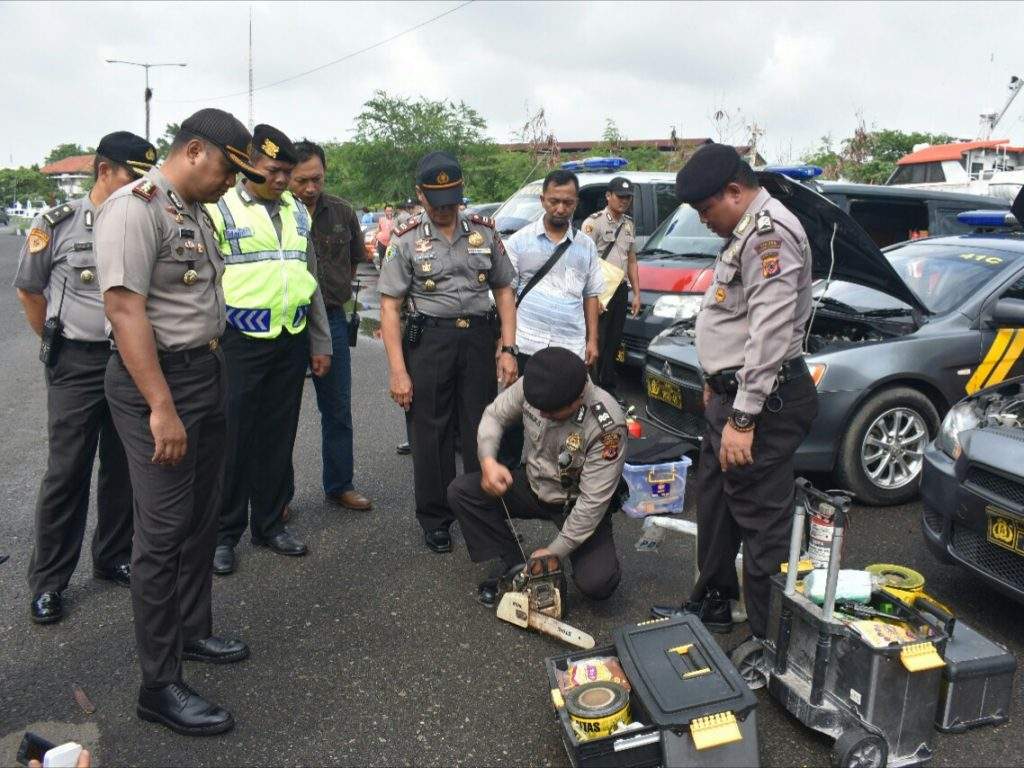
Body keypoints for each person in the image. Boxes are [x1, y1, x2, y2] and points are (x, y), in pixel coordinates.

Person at [96, 107, 261, 735]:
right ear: (194, 150)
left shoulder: (190, 210)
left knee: (199, 517)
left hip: (204, 372)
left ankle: (193, 631)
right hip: (156, 385)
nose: (231, 182)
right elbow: (123, 309)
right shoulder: (136, 207)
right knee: (161, 537)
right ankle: (158, 685)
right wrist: (160, 407)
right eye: (227, 168)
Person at [649, 144, 818, 646]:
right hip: (734, 394)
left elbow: (768, 331)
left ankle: (771, 645)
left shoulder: (770, 235)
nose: (704, 221)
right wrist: (713, 378)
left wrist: (743, 419)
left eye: (707, 211)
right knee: (717, 503)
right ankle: (714, 601)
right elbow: (733, 317)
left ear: (735, 191)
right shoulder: (744, 230)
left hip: (764, 403)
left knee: (763, 525)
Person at [15, 131, 155, 624]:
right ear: (103, 171)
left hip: (128, 361)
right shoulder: (59, 223)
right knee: (66, 471)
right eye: (131, 176)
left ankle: (113, 555)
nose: (141, 186)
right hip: (76, 362)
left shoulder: (142, 220)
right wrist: (56, 343)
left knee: (122, 465)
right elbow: (31, 292)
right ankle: (49, 581)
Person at [206, 125, 332, 575]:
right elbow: (204, 279)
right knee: (234, 438)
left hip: (289, 338)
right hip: (237, 341)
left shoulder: (298, 211)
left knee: (279, 435)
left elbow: (309, 281)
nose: (282, 179)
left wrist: (321, 341)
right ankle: (223, 533)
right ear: (250, 164)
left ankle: (270, 522)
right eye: (273, 170)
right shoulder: (219, 209)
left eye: (286, 172)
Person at [377, 151, 518, 553]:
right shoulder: (405, 239)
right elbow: (389, 307)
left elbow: (504, 289)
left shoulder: (483, 233)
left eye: (452, 202)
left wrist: (507, 347)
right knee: (431, 432)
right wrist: (397, 371)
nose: (445, 211)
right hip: (430, 341)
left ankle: (482, 508)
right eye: (436, 203)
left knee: (481, 425)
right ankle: (436, 518)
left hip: (477, 339)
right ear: (420, 195)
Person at [448, 346, 625, 604]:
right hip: (533, 484)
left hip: (575, 502)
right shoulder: (536, 384)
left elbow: (592, 504)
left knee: (599, 582)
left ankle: (545, 564)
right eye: (538, 408)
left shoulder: (607, 426)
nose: (542, 414)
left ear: (577, 399)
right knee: (462, 492)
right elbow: (494, 415)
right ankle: (516, 565)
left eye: (551, 413)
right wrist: (487, 460)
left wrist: (553, 552)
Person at [497, 168, 603, 467]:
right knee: (515, 415)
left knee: (566, 417)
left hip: (569, 347)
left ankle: (557, 480)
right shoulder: (518, 242)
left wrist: (592, 340)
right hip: (527, 343)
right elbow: (506, 296)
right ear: (543, 200)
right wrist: (505, 345)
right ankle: (507, 480)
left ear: (576, 202)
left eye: (567, 202)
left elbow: (591, 294)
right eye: (554, 201)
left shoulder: (587, 246)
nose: (560, 208)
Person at [288, 139, 372, 512]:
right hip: (284, 323)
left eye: (317, 179)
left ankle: (340, 484)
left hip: (333, 319)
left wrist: (331, 296)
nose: (310, 188)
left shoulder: (341, 211)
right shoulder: (276, 213)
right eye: (302, 180)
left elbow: (355, 261)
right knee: (280, 413)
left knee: (337, 408)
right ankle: (278, 498)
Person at [580, 176, 642, 397]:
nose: (624, 201)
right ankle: (590, 390)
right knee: (596, 339)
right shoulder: (593, 223)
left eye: (628, 198)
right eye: (620, 196)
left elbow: (632, 260)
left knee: (614, 342)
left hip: (619, 289)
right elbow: (584, 261)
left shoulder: (628, 224)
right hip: (598, 291)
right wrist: (593, 297)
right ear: (608, 196)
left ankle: (607, 388)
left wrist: (636, 293)